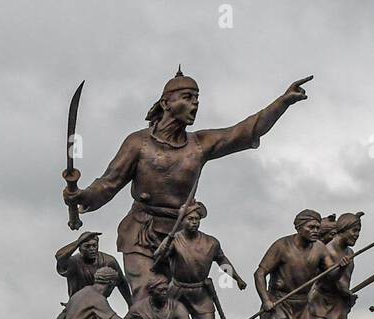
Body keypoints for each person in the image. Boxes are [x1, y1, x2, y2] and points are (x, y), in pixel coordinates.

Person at [62, 68, 310, 302]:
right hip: (141, 234)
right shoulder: (138, 143)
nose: (195, 104)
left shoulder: (199, 144)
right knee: (147, 298)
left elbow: (245, 130)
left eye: (197, 99)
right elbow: (109, 183)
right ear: (166, 103)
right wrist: (82, 196)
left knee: (173, 308)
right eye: (188, 97)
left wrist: (283, 101)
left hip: (178, 239)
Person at [154, 201, 245, 319]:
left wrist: (237, 279)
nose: (194, 222)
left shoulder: (211, 242)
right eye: (190, 219)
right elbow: (158, 256)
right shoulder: (174, 239)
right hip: (177, 291)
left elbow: (222, 261)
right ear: (182, 221)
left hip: (200, 292)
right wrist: (165, 246)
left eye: (197, 219)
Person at [253, 209, 332, 319]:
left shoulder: (319, 248)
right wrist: (265, 300)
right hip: (279, 302)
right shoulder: (282, 246)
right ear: (299, 227)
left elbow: (330, 275)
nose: (315, 231)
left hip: (302, 305)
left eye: (318, 227)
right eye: (311, 227)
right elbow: (259, 273)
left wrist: (340, 267)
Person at [308, 211, 363, 319]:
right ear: (343, 230)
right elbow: (327, 279)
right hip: (321, 300)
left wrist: (347, 296)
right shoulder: (327, 250)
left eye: (358, 231)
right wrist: (343, 288)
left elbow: (345, 281)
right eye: (354, 230)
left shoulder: (350, 252)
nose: (357, 235)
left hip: (339, 303)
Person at [54, 231, 132, 307]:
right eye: (87, 246)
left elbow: (122, 282)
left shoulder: (108, 261)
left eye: (94, 245)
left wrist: (130, 305)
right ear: (80, 249)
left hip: (99, 304)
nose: (92, 249)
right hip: (78, 305)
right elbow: (59, 257)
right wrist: (78, 242)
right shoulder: (73, 262)